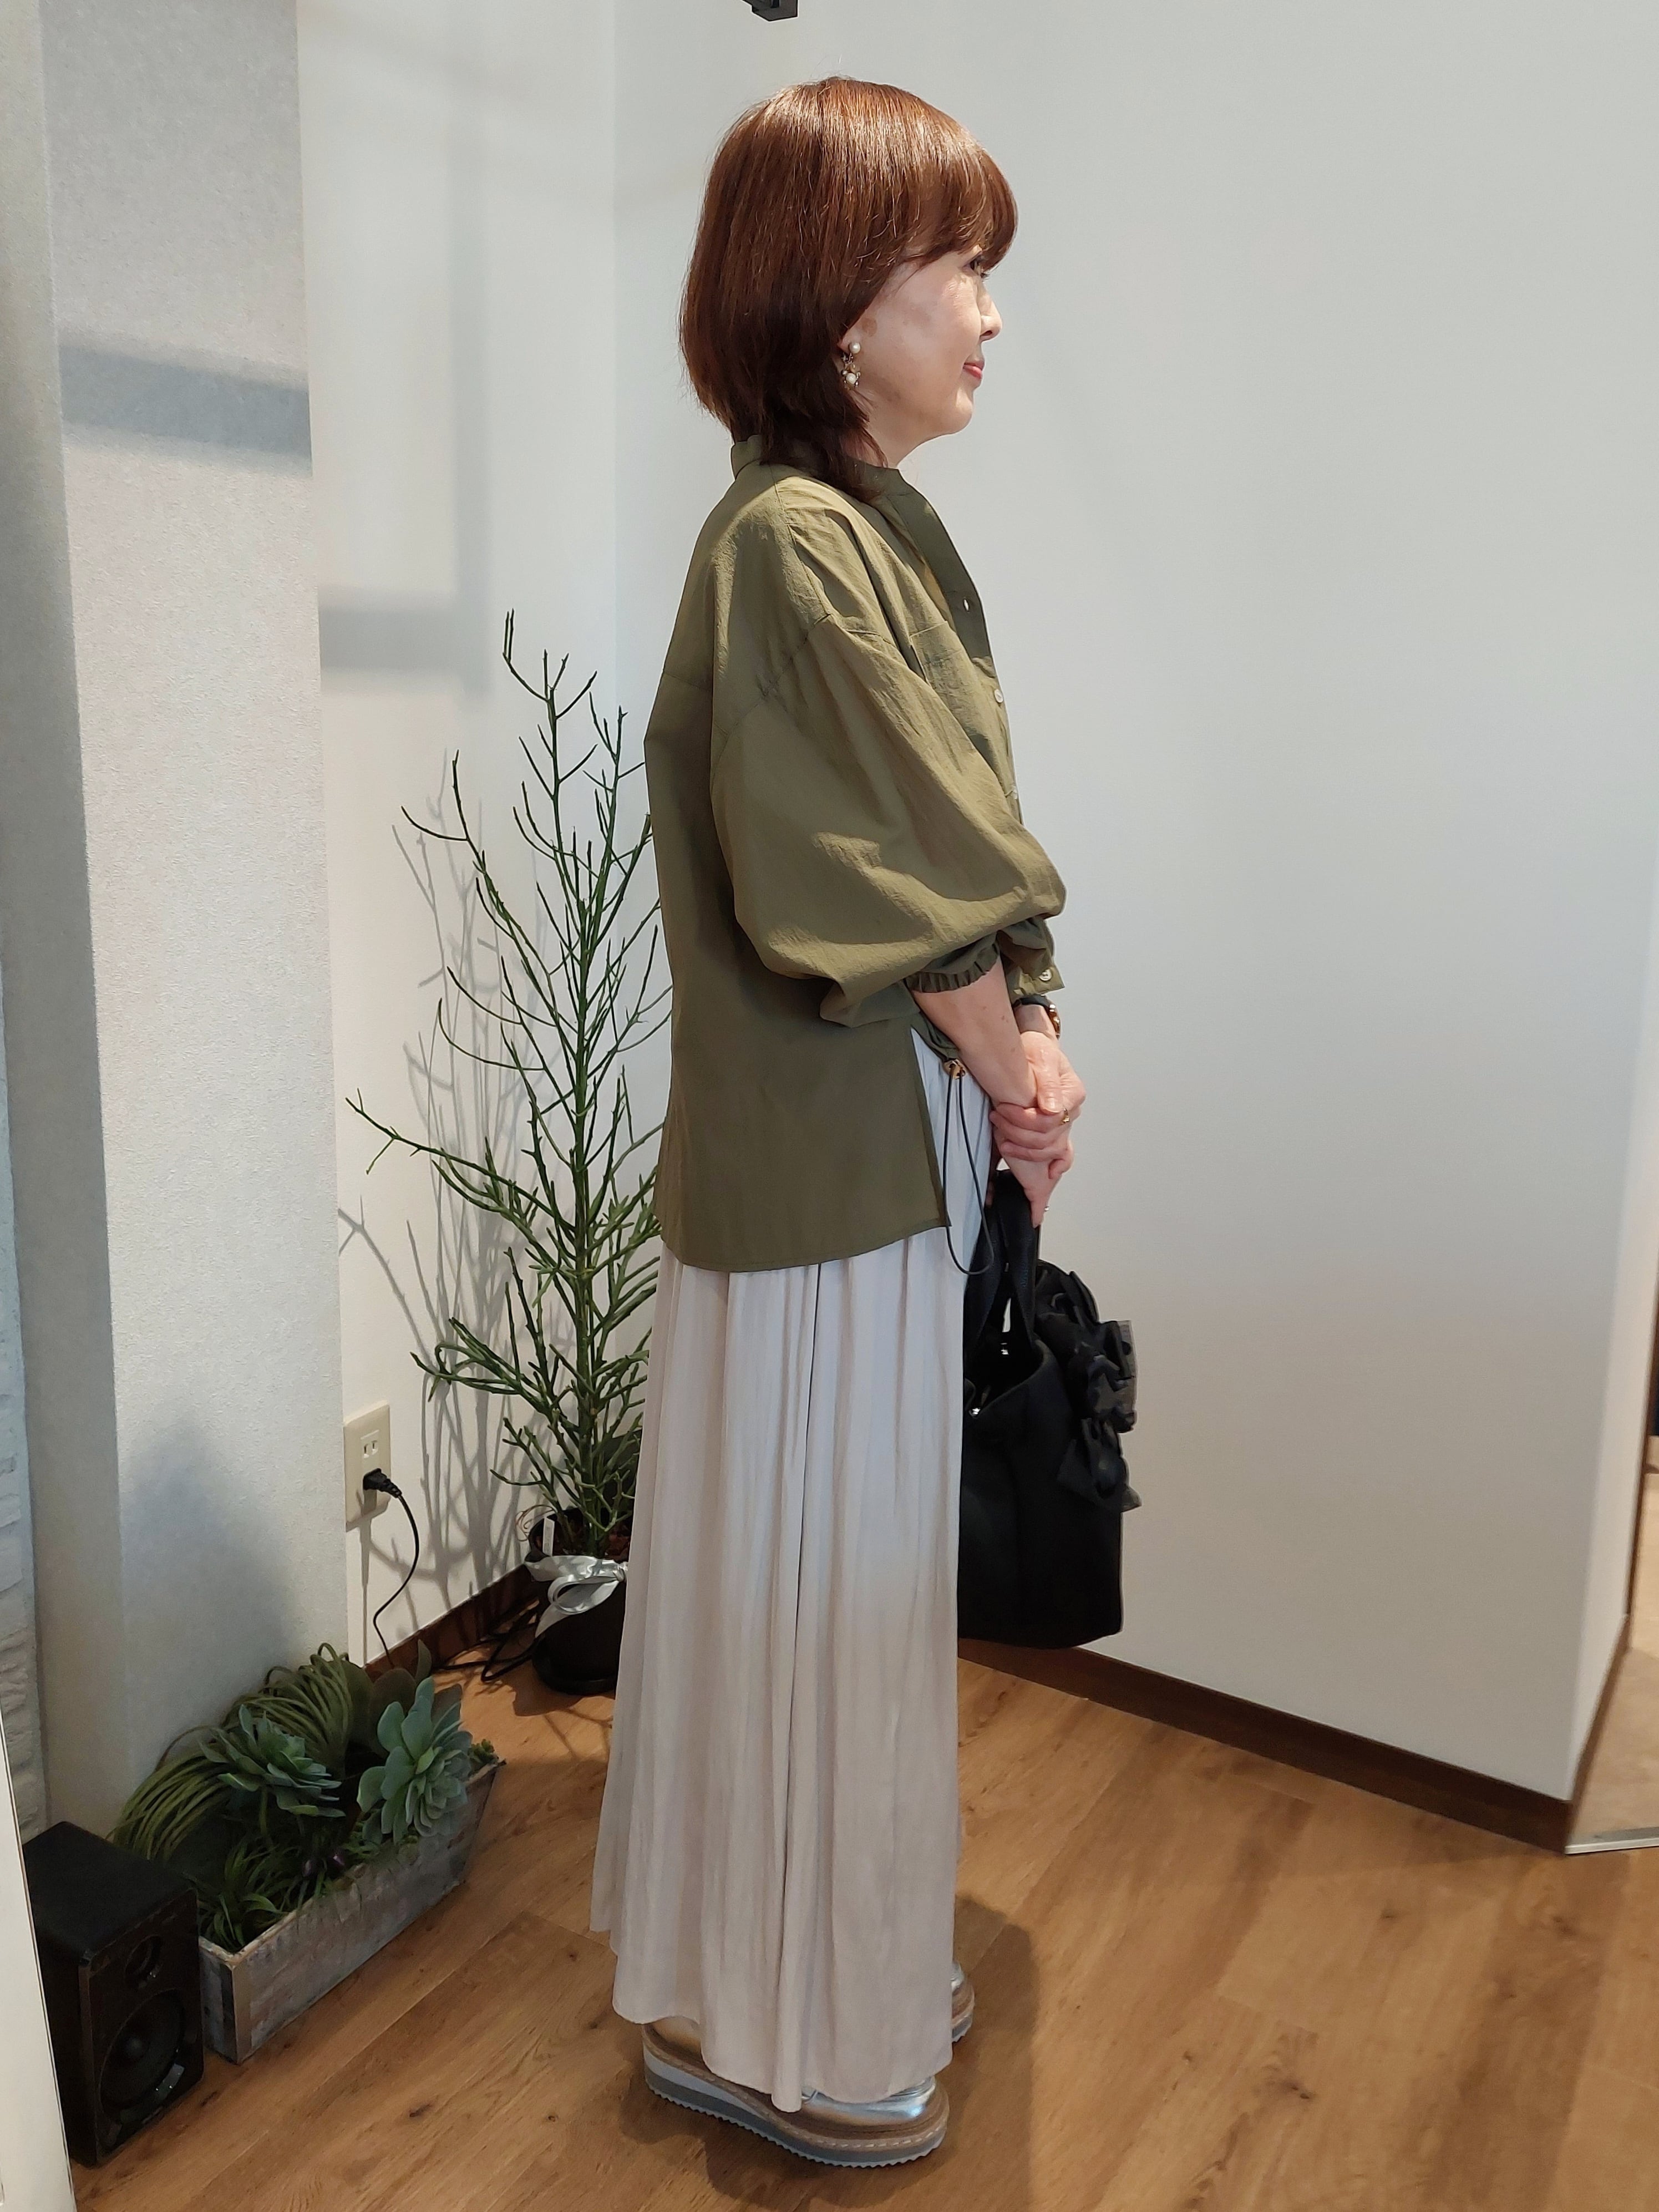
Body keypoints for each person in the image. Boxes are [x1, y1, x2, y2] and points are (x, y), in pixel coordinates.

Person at [590, 76, 1084, 2168]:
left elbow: (951, 831)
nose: (990, 313)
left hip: (869, 1151)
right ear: (835, 299)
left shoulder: (872, 525)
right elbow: (879, 874)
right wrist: (1019, 1055)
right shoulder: (794, 544)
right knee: (821, 1602)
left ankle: (805, 1979)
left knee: (827, 1597)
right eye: (956, 267)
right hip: (825, 1173)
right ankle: (784, 2027)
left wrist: (1023, 1034)